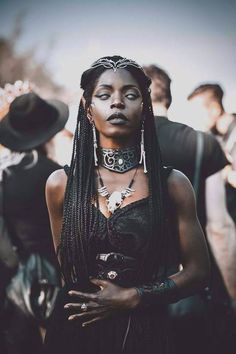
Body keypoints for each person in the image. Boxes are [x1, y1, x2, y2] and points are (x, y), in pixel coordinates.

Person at [44, 55, 210, 354]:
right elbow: (65, 268)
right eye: (104, 95)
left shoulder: (173, 184)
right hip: (74, 331)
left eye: (130, 95)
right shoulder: (60, 184)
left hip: (145, 333)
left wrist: (136, 296)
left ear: (144, 107)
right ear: (87, 107)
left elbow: (199, 271)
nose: (117, 103)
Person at [143, 65, 235, 353]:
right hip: (195, 273)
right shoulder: (202, 143)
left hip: (137, 280)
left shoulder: (120, 144)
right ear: (168, 97)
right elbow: (219, 225)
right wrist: (230, 292)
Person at [0, 91, 69, 354]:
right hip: (55, 276)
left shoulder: (3, 176)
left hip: (11, 279)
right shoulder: (57, 175)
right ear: (49, 133)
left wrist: (15, 266)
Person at [187, 83, 236, 223]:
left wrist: (224, 173)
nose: (194, 119)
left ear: (214, 109)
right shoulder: (214, 138)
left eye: (196, 112)